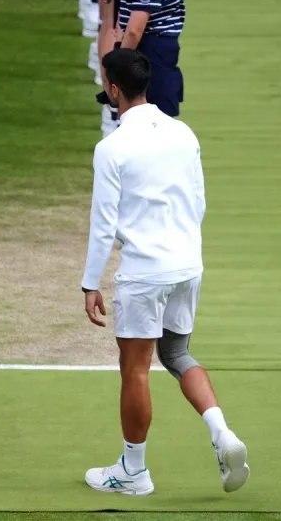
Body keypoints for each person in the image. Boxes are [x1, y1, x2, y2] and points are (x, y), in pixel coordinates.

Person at [80, 48, 249, 496]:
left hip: (145, 271)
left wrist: (90, 282)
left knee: (134, 369)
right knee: (176, 355)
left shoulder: (110, 148)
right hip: (187, 264)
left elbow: (102, 225)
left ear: (113, 89)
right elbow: (199, 201)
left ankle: (133, 472)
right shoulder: (182, 132)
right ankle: (222, 434)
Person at [94, 0, 187, 136]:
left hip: (148, 46)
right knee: (151, 116)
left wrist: (118, 65)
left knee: (149, 113)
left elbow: (133, 30)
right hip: (150, 47)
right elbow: (133, 31)